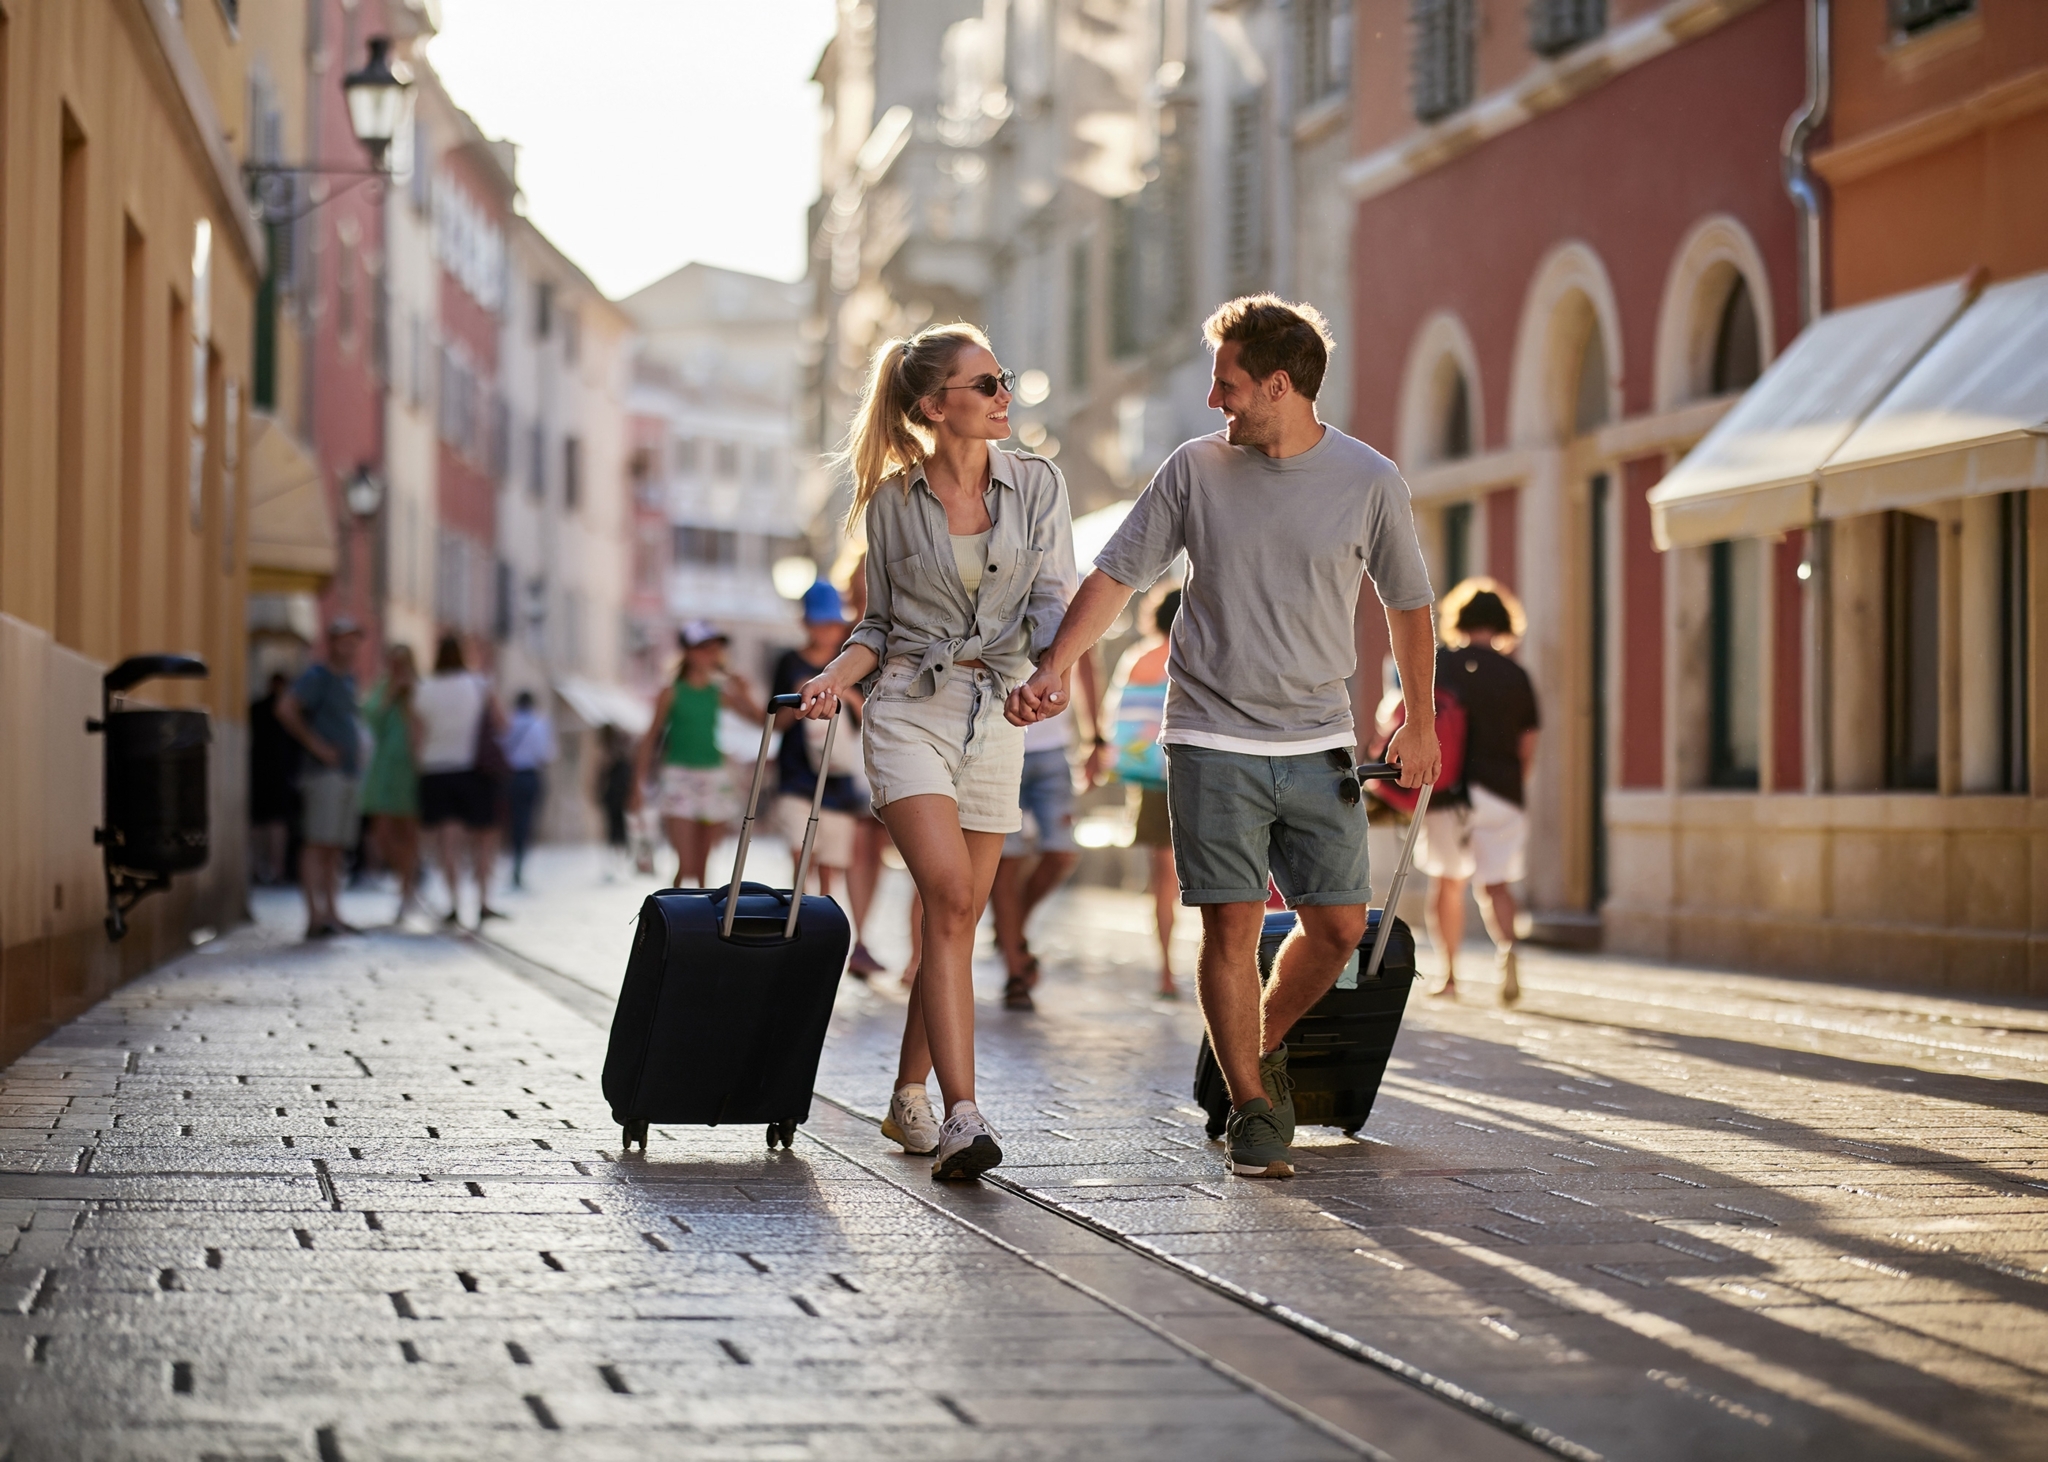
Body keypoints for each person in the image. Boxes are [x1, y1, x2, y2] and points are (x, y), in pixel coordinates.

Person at [1010, 295, 1439, 1181]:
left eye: (1230, 384)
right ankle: (1252, 1107)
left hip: (1319, 739)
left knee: (1332, 929)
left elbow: (1408, 604)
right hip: (1209, 735)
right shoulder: (1194, 470)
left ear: (1279, 386)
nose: (1216, 401)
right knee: (1231, 928)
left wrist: (1421, 719)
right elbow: (1117, 577)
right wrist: (1055, 666)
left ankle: (1250, 1045)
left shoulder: (1370, 480)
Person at [791, 323, 1076, 1182]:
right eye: (986, 384)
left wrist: (1054, 673)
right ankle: (963, 1115)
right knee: (950, 894)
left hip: (998, 715)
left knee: (955, 920)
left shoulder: (1039, 484)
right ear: (933, 405)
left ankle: (908, 1091)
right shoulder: (891, 502)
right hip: (910, 708)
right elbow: (877, 626)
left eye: (1004, 380)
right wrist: (837, 675)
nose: (1004, 397)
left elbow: (1057, 597)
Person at [1416, 579, 1539, 1005]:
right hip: (1503, 793)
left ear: (1459, 620)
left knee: (1448, 884)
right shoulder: (1516, 674)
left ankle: (1449, 975)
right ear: (1503, 623)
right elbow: (1528, 743)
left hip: (1451, 791)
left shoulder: (1442, 665)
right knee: (1497, 885)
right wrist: (1511, 782)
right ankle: (1508, 954)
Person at [770, 580, 883, 976]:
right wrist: (801, 703)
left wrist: (847, 696)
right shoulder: (789, 662)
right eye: (819, 624)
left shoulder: (851, 663)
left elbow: (870, 717)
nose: (825, 632)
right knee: (802, 855)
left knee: (830, 866)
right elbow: (778, 720)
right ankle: (795, 930)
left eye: (831, 624)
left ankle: (820, 939)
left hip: (837, 786)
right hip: (796, 777)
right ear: (805, 623)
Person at [990, 648, 1106, 1010]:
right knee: (1006, 860)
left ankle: (1012, 929)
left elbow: (1086, 661)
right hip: (999, 739)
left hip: (1053, 748)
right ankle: (1015, 971)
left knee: (1061, 853)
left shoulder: (1070, 592)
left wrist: (1096, 737)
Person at [635, 622, 765, 889]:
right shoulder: (671, 692)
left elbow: (761, 720)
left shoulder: (719, 693)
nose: (712, 655)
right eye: (705, 649)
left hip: (713, 776)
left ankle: (702, 923)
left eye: (715, 650)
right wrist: (636, 786)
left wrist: (745, 693)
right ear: (689, 652)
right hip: (678, 777)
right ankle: (676, 921)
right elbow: (650, 739)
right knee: (685, 863)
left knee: (704, 865)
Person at [1106, 586, 1184, 998]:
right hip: (1196, 776)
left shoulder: (1137, 660)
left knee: (1162, 878)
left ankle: (1167, 970)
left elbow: (1118, 724)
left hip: (1151, 783)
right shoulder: (1199, 658)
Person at [275, 617, 369, 939]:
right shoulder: (318, 676)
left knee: (336, 848)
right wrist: (317, 746)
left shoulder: (349, 680)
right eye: (344, 639)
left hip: (346, 772)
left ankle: (332, 913)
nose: (351, 646)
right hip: (323, 773)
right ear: (331, 642)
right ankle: (314, 917)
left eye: (355, 640)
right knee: (317, 844)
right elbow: (286, 708)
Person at [414, 634, 506, 927]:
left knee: (448, 843)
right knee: (483, 842)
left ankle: (454, 902)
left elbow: (416, 736)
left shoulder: (423, 689)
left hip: (436, 771)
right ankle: (483, 902)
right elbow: (503, 725)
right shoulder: (479, 684)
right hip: (474, 771)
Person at [359, 644, 425, 924]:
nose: (397, 667)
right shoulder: (382, 687)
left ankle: (406, 891)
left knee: (408, 832)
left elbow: (424, 725)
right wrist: (390, 693)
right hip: (384, 768)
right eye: (393, 662)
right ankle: (404, 875)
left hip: (411, 769)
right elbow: (370, 717)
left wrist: (409, 698)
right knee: (381, 832)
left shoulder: (420, 688)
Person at [248, 672, 301, 886]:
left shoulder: (259, 708)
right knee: (268, 823)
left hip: (270, 772)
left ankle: (268, 868)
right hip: (271, 772)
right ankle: (267, 868)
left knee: (270, 823)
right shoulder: (266, 709)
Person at [502, 690, 557, 889]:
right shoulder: (540, 724)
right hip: (531, 775)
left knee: (513, 822)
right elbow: (546, 755)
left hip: (511, 777)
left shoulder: (509, 722)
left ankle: (514, 863)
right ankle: (519, 864)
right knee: (526, 822)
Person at [594, 725, 636, 882]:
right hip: (619, 797)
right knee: (619, 830)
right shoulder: (620, 750)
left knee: (614, 831)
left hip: (613, 797)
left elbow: (600, 774)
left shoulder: (608, 752)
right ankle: (618, 864)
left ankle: (616, 864)